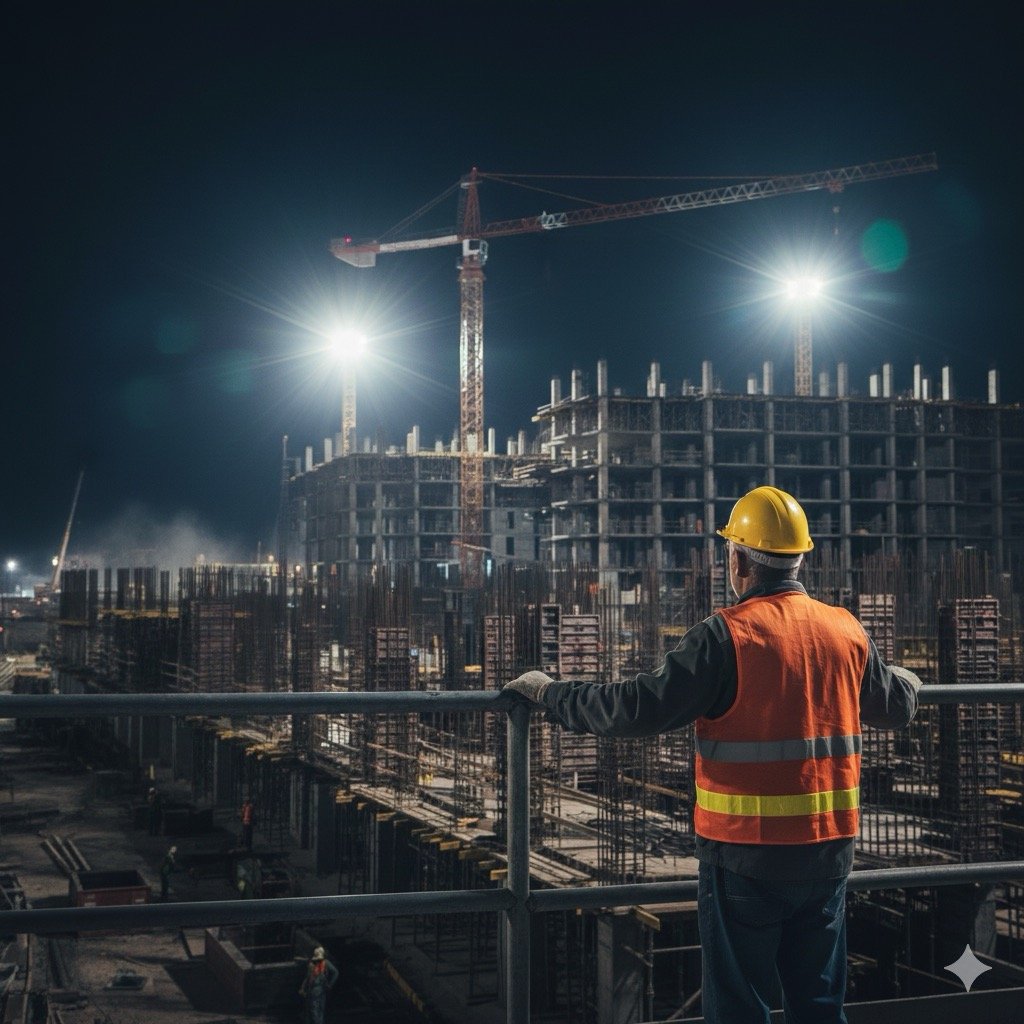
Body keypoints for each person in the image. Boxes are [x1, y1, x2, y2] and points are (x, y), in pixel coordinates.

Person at [505, 485, 922, 1024]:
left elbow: (634, 707)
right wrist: (910, 679)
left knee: (739, 1007)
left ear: (738, 559)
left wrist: (549, 692)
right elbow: (894, 705)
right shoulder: (845, 629)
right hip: (826, 855)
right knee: (818, 1006)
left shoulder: (727, 636)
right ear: (799, 558)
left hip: (745, 858)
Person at [299, 946, 339, 1024]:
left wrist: (330, 984)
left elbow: (335, 973)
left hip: (319, 990)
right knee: (314, 1011)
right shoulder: (312, 964)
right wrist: (303, 988)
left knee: (317, 1011)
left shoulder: (325, 963)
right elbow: (308, 977)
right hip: (313, 990)